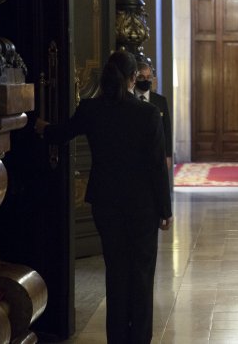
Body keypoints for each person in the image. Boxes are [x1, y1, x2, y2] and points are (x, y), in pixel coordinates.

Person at [35, 50, 172, 343]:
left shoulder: (91, 109)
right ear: (134, 78)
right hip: (143, 207)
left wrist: (43, 128)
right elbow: (156, 165)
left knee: (116, 272)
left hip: (106, 204)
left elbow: (61, 134)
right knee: (141, 275)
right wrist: (165, 209)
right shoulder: (148, 113)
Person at [135, 61, 173, 170]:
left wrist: (168, 155)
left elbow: (166, 129)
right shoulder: (129, 99)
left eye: (148, 77)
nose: (146, 80)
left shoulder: (160, 101)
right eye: (142, 77)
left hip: (157, 153)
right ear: (135, 78)